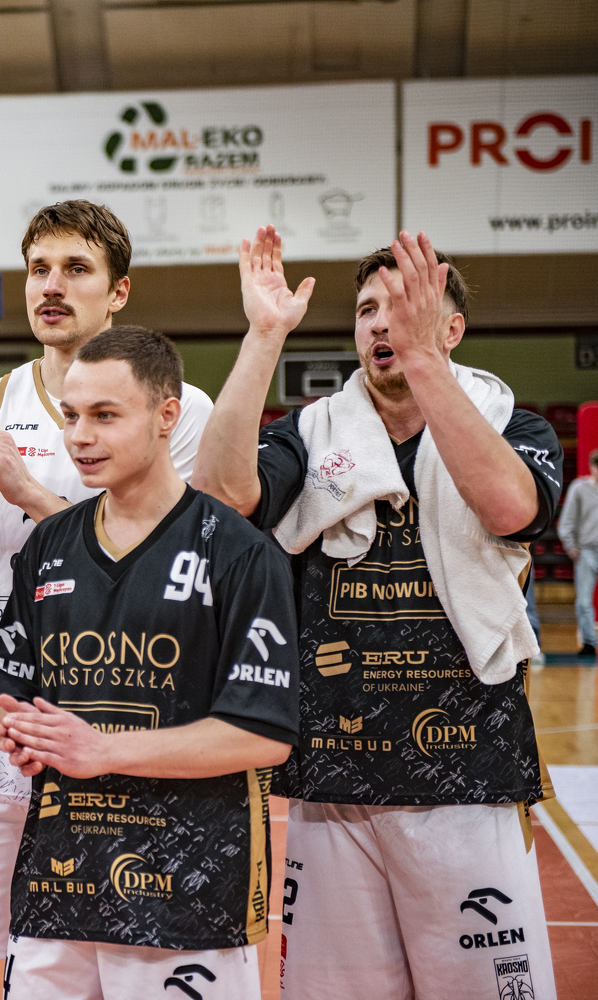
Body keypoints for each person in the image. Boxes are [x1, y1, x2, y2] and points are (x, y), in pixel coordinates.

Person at [192, 228, 562, 1000]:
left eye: (403, 306)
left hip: (468, 771)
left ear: (450, 328)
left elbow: (511, 509)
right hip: (335, 778)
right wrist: (263, 338)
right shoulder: (311, 434)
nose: (381, 322)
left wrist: (425, 366)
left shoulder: (512, 425)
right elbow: (223, 498)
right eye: (367, 309)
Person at [0, 199, 215, 990]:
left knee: (108, 938)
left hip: (126, 685)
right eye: (39, 269)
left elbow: (174, 561)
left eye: (76, 269)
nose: (51, 286)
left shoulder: (181, 410)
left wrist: (26, 492)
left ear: (119, 292)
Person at [0, 326, 295, 998]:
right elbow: (6, 693)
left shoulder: (238, 551)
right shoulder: (48, 545)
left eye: (105, 416)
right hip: (57, 891)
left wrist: (102, 750)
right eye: (72, 416)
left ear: (166, 415)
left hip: (188, 899)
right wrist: (14, 730)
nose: (80, 437)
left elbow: (263, 733)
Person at [558, 448, 598, 657]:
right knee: (583, 601)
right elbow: (567, 520)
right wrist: (571, 546)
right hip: (587, 551)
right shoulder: (580, 488)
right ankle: (589, 642)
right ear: (591, 467)